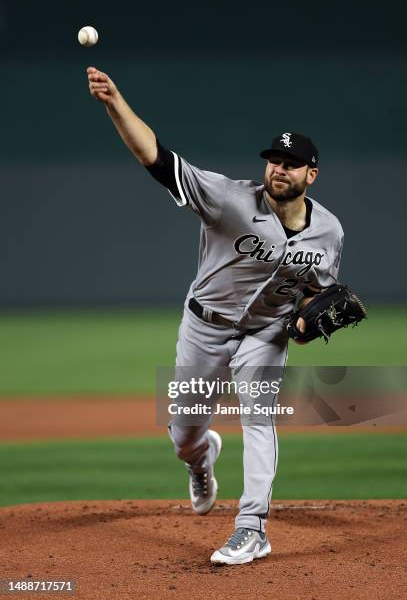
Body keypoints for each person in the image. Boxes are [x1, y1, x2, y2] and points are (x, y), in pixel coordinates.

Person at [86, 66, 344, 565]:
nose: (279, 169)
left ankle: (252, 528)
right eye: (274, 160)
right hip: (204, 328)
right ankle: (201, 460)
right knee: (183, 433)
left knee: (259, 419)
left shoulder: (329, 232)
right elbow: (156, 159)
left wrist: (311, 321)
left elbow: (321, 293)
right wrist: (116, 103)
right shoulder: (227, 199)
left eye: (291, 164)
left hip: (265, 335)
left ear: (310, 175)